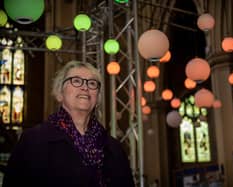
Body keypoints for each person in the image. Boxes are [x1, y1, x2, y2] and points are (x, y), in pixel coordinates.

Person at [2, 60, 135, 187]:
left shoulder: (113, 147)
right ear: (60, 93)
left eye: (92, 83)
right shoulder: (34, 140)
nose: (85, 87)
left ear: (97, 97)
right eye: (76, 81)